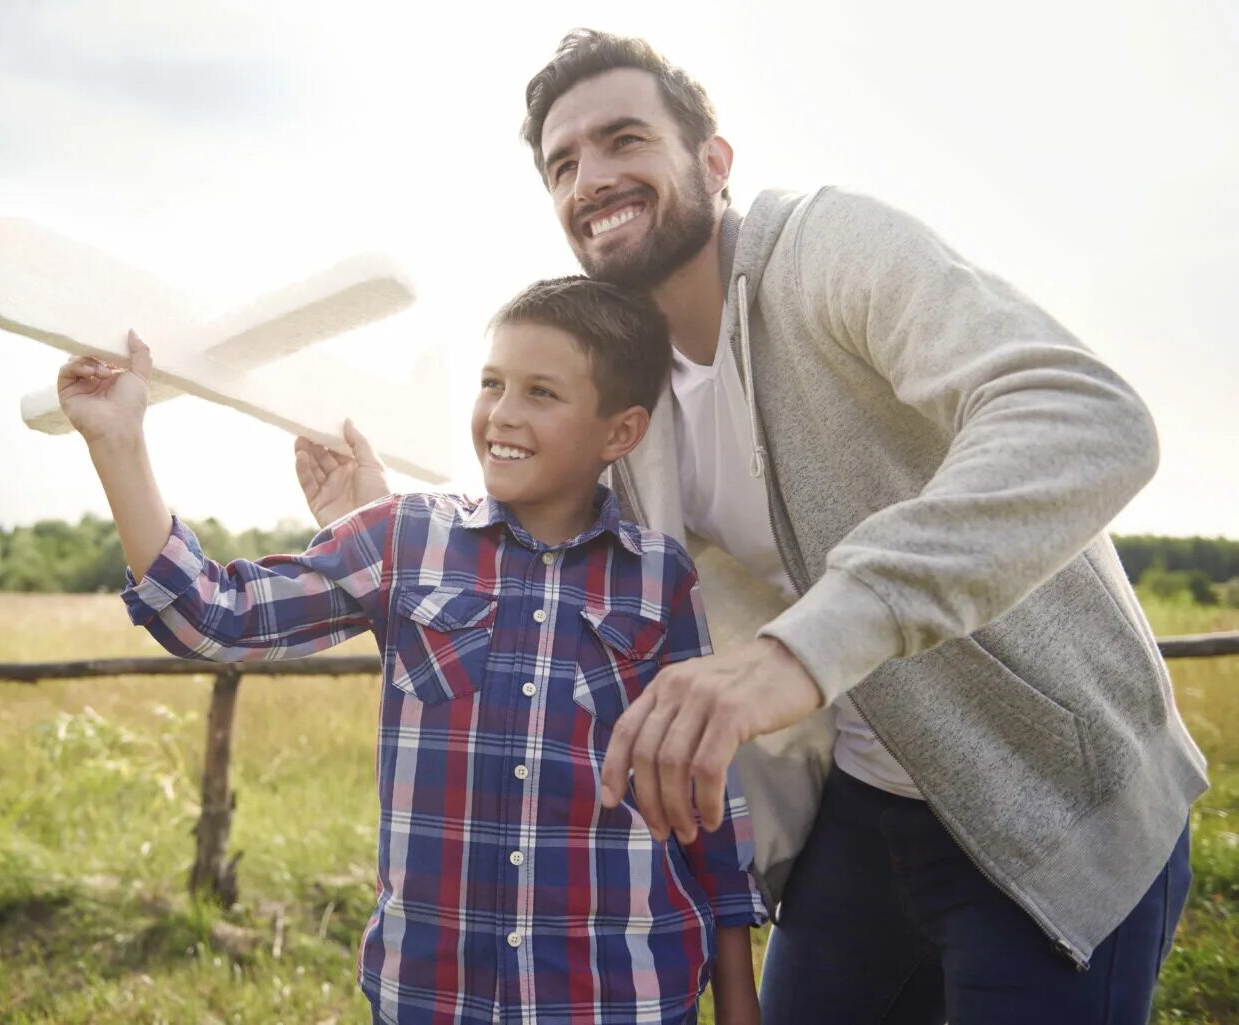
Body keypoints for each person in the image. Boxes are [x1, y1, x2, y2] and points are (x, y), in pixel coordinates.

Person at [293, 28, 1208, 1025]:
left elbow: (1087, 416)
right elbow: (550, 582)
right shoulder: (624, 400)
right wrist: (374, 529)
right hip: (859, 815)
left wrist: (799, 650)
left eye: (623, 139)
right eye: (564, 163)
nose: (592, 177)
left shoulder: (830, 249)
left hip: (1046, 799)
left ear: (714, 162)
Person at [60, 276, 766, 1025]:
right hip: (436, 999)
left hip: (622, 997)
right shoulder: (401, 539)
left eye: (541, 393)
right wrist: (117, 441)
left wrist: (738, 1001)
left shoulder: (659, 578)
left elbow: (705, 807)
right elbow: (214, 614)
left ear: (619, 433)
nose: (502, 413)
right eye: (492, 383)